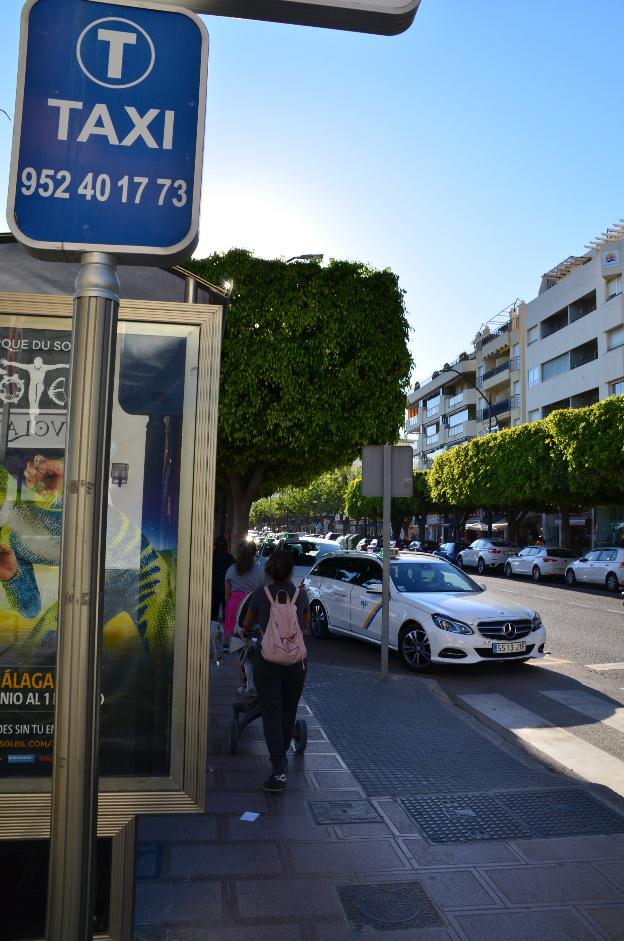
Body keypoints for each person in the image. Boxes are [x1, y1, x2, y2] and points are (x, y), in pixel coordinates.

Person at [242, 550, 310, 792]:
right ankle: (281, 759)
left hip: (267, 662)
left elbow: (247, 625)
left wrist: (256, 630)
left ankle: (278, 770)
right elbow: (304, 627)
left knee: (271, 713)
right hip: (295, 665)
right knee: (288, 712)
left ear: (269, 571)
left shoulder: (260, 595)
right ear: (291, 571)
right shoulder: (301, 596)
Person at [223, 540, 264, 650]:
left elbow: (227, 594)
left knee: (234, 638)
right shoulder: (261, 571)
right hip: (252, 606)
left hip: (234, 605)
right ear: (254, 553)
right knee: (250, 636)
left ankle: (228, 645)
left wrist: (229, 605)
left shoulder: (231, 570)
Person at [211, 535, 234, 624]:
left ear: (215, 545)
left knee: (212, 614)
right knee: (226, 613)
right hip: (226, 589)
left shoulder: (210, 557)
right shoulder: (230, 558)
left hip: (213, 588)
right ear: (226, 546)